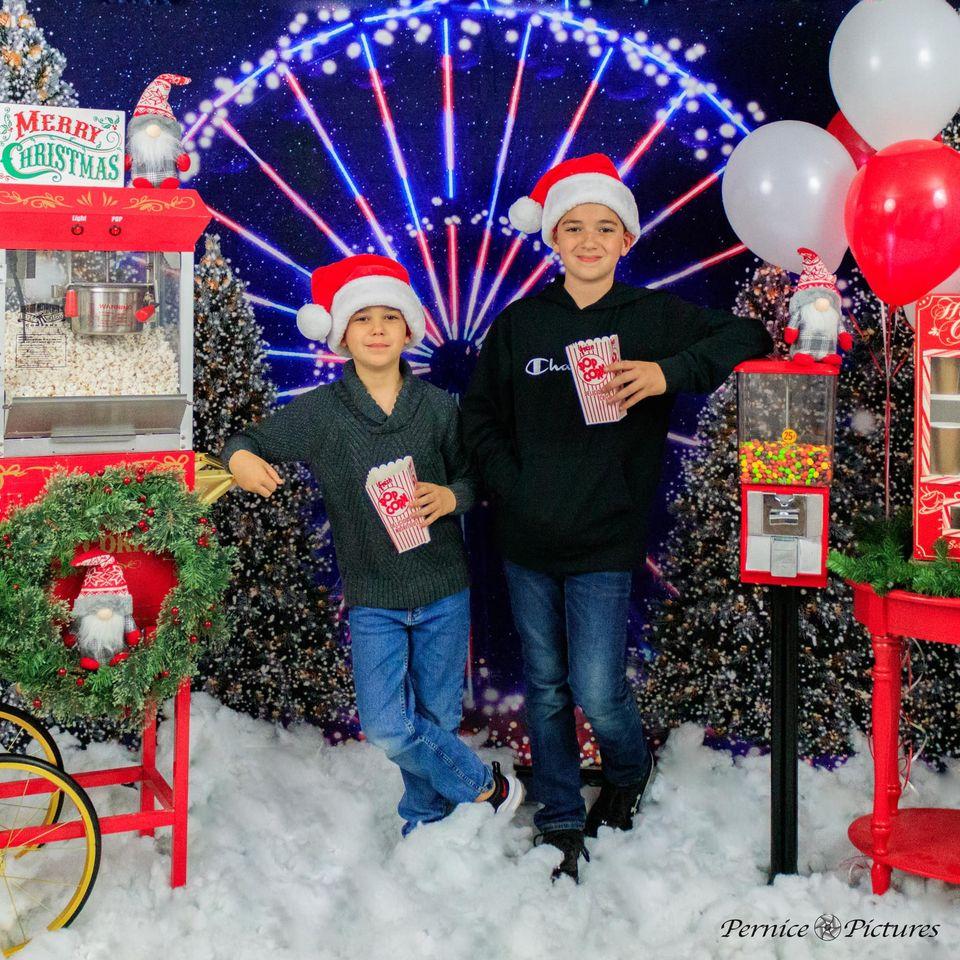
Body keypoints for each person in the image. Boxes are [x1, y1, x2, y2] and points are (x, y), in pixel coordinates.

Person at [461, 153, 773, 882]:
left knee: (597, 687)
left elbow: (747, 337)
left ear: (626, 240)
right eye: (575, 227)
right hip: (527, 539)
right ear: (555, 239)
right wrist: (513, 484)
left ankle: (628, 767)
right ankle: (562, 815)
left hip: (606, 536)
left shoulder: (652, 317)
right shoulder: (521, 324)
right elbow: (478, 417)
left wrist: (668, 374)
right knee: (545, 684)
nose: (590, 240)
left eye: (606, 227)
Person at [222, 254, 523, 837]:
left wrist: (451, 498)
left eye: (390, 317)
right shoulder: (320, 414)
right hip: (374, 599)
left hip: (443, 589)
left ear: (410, 329)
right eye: (363, 319)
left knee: (434, 717)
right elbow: (248, 438)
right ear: (340, 335)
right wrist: (239, 459)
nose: (379, 329)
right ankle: (488, 787)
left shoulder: (438, 407)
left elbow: (472, 477)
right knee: (390, 726)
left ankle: (425, 819)